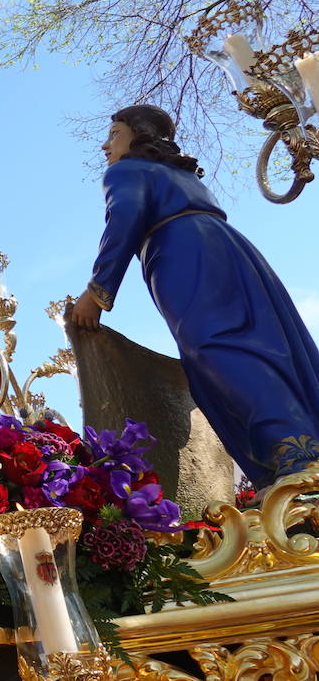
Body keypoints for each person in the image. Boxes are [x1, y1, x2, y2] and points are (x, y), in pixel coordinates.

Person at [67, 104, 319, 487]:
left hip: (182, 255)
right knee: (263, 340)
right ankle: (299, 444)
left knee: (215, 346)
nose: (106, 146)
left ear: (140, 135)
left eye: (114, 133)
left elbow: (124, 221)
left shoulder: (125, 171)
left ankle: (294, 456)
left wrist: (97, 291)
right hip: (232, 250)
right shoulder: (182, 177)